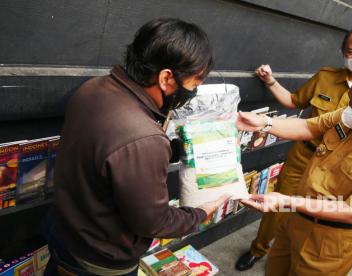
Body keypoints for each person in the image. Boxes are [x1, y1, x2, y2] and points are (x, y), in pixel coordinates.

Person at [44, 18, 229, 275]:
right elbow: (153, 222)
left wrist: (174, 150)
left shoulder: (94, 87)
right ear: (166, 78)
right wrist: (200, 213)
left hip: (63, 229)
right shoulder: (144, 139)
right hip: (97, 259)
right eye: (195, 83)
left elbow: (108, 155)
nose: (194, 91)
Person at [237, 62, 352, 275]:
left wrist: (286, 201)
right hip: (296, 217)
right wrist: (263, 122)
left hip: (329, 242)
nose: (349, 109)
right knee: (275, 269)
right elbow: (309, 126)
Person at [235, 27, 352, 271]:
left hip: (342, 168)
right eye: (351, 51)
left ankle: (293, 258)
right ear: (342, 52)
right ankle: (258, 249)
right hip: (305, 156)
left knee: (319, 219)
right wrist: (270, 82)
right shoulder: (326, 76)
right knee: (278, 206)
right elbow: (295, 104)